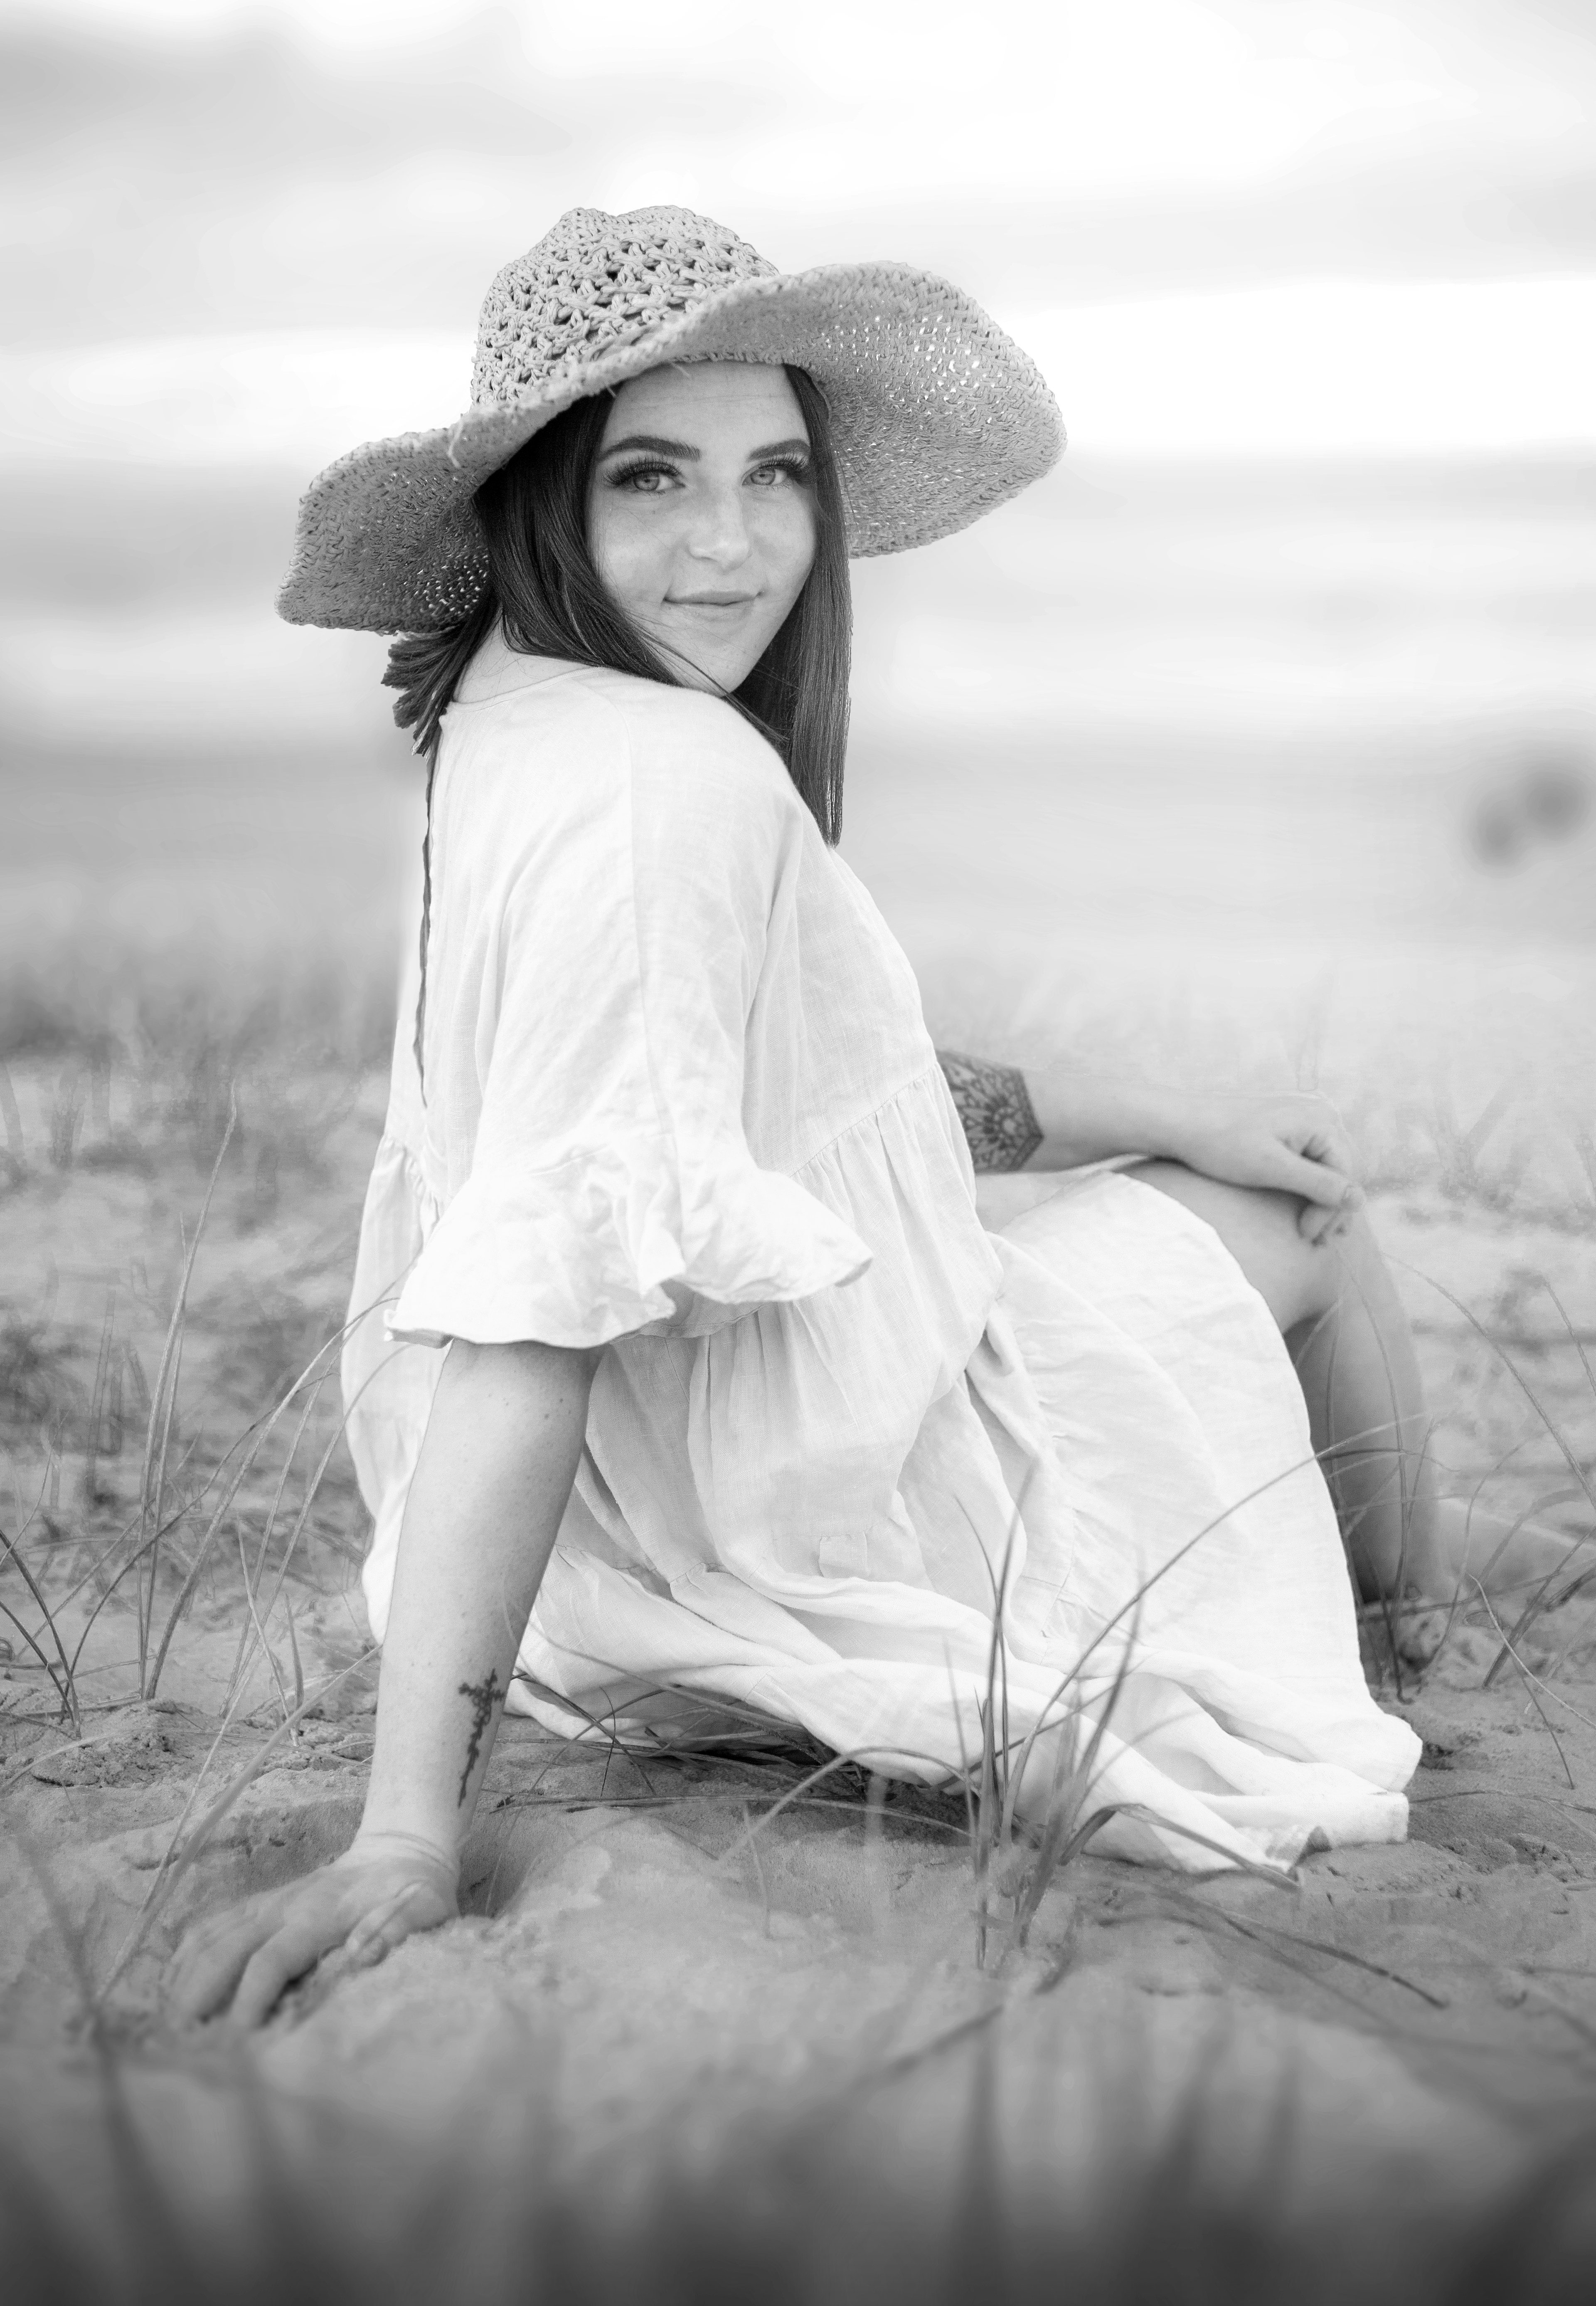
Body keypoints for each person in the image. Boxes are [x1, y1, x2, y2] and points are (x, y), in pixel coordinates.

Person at [170, 204, 1456, 2030]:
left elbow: (835, 1098)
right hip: (808, 1496)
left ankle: (1397, 1557)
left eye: (776, 473)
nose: (734, 544)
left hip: (645, 1512)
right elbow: (537, 1305)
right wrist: (404, 1832)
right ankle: (1415, 1635)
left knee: (1242, 1174)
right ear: (547, 500)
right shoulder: (672, 785)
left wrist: (1179, 1112)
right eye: (653, 478)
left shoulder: (514, 716)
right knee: (1327, 1237)